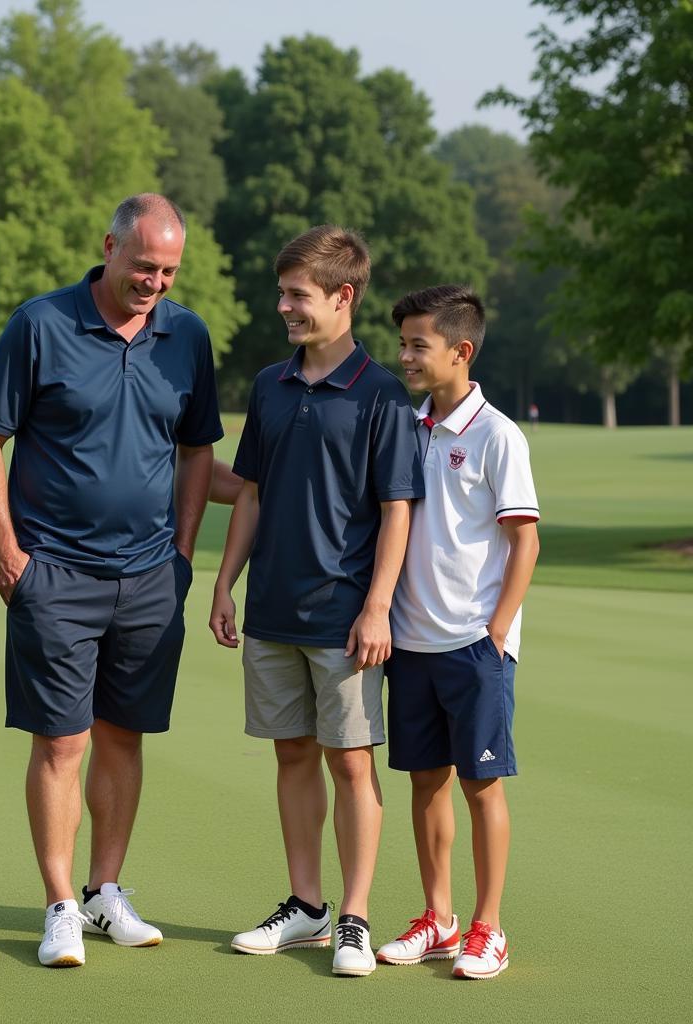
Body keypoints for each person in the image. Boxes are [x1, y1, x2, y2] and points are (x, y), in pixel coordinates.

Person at [0, 193, 222, 968]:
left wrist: (181, 553)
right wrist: (5, 548)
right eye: (144, 265)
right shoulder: (39, 324)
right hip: (55, 571)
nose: (156, 282)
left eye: (169, 270)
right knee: (62, 742)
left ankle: (107, 890)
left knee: (123, 736)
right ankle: (60, 905)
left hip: (149, 577)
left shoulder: (187, 335)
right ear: (109, 246)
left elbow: (198, 448)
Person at [209, 225, 423, 977]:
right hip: (271, 608)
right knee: (292, 754)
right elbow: (252, 493)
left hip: (344, 615)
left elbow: (398, 507)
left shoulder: (382, 394)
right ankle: (305, 907)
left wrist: (376, 607)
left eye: (297, 295)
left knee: (351, 766)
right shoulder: (269, 385)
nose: (284, 308)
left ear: (343, 296)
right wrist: (225, 581)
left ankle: (355, 918)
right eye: (283, 293)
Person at [376, 285, 540, 980]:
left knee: (482, 787)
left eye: (419, 344)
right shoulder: (406, 425)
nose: (405, 355)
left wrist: (496, 634)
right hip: (409, 644)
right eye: (403, 343)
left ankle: (487, 927)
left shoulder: (498, 434)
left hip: (474, 645)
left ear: (460, 351)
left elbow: (524, 541)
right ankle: (438, 918)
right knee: (426, 784)